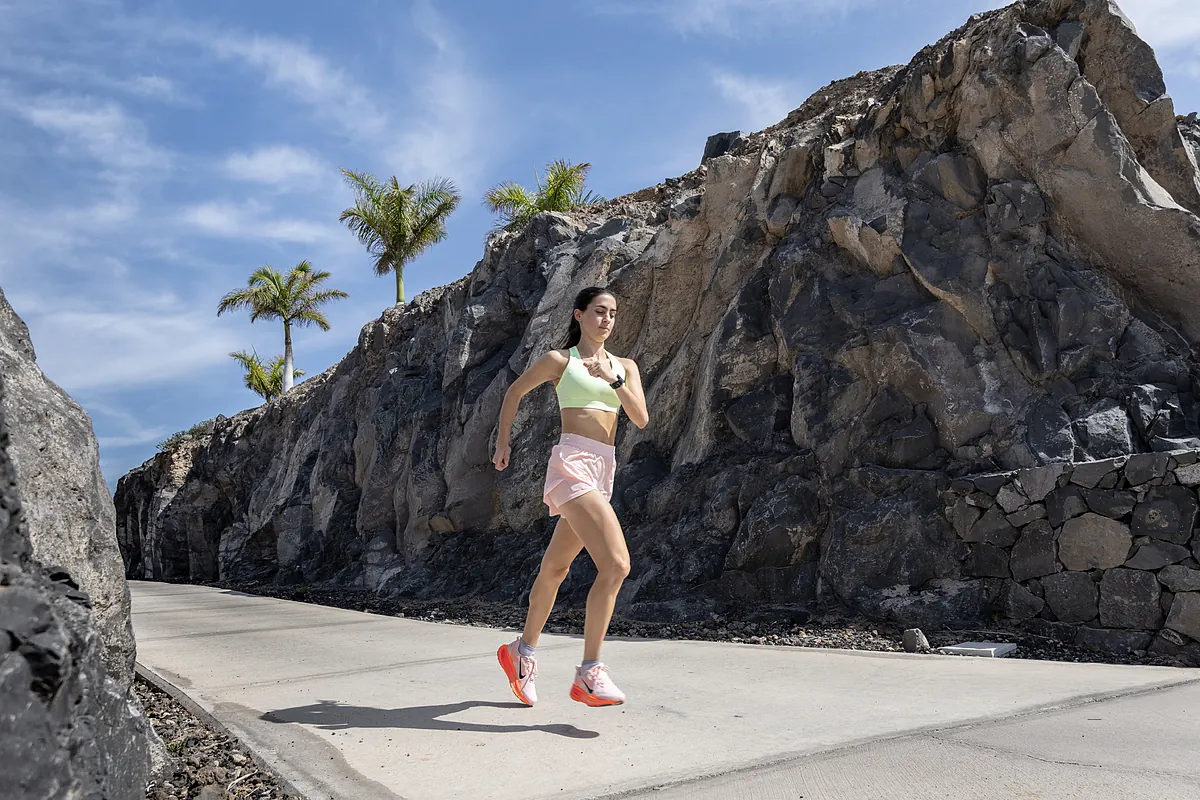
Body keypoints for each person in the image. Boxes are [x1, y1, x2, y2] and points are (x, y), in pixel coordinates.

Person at [493, 286, 649, 707]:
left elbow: (640, 417)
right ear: (579, 315)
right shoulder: (559, 361)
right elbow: (514, 393)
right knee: (616, 564)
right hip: (571, 463)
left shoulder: (625, 367)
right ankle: (589, 672)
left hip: (603, 469)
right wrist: (502, 443)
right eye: (599, 311)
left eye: (613, 313)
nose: (607, 320)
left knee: (556, 569)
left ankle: (520, 653)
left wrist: (612, 379)